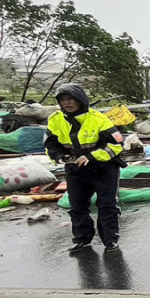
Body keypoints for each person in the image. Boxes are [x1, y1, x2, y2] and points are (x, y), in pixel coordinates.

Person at [44, 83, 126, 254]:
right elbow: (50, 144)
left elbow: (117, 144)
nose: (67, 103)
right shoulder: (55, 120)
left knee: (107, 205)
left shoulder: (99, 118)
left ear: (80, 100)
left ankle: (110, 241)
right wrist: (60, 157)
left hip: (103, 168)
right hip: (75, 169)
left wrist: (92, 156)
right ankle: (82, 240)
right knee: (77, 206)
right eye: (63, 100)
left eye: (70, 99)